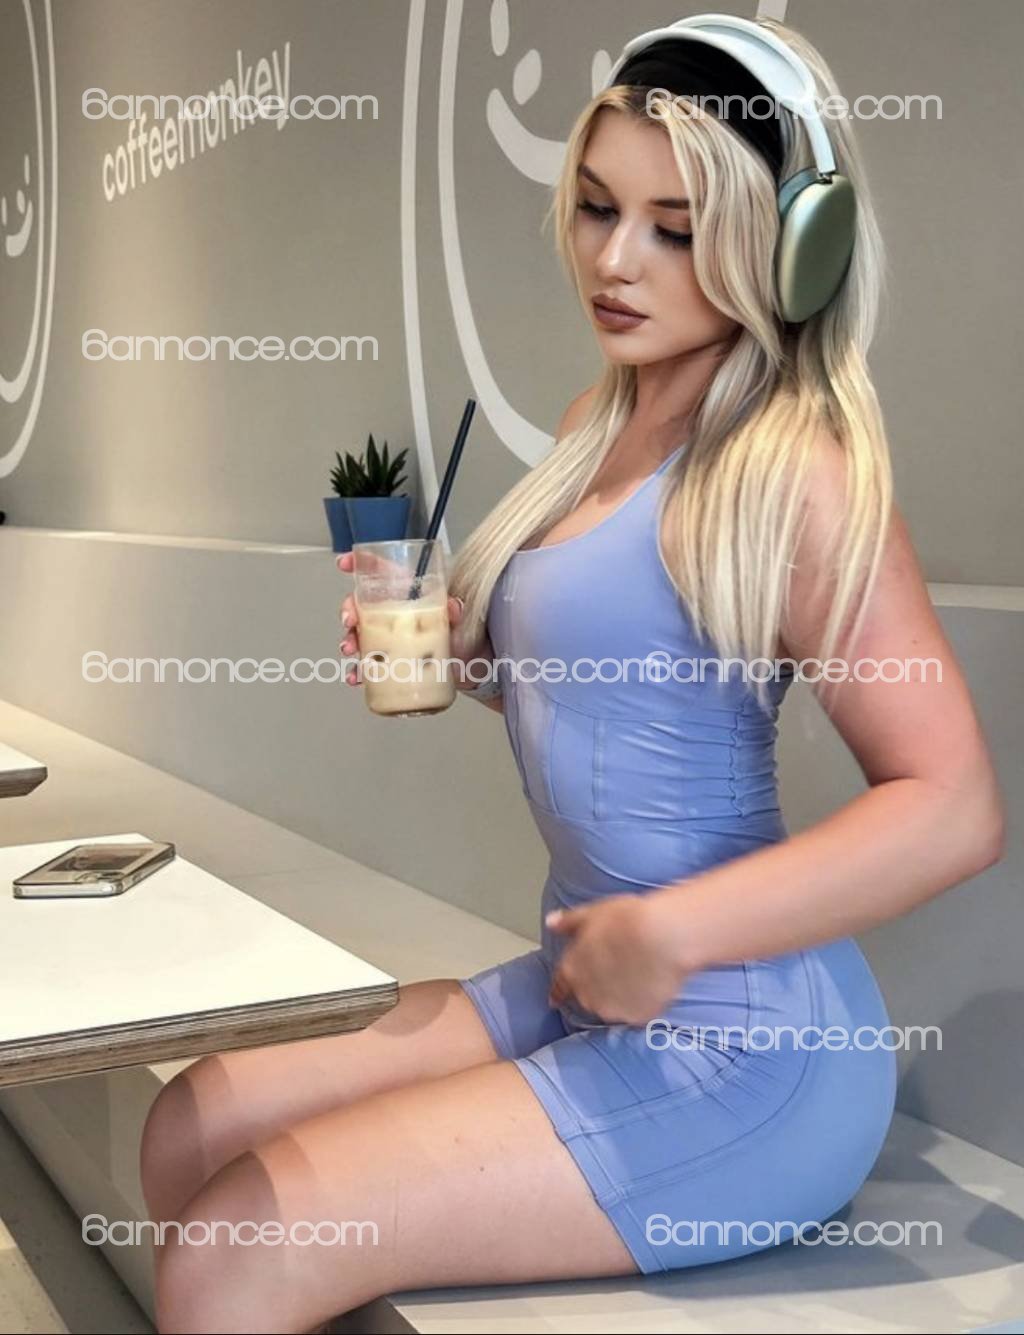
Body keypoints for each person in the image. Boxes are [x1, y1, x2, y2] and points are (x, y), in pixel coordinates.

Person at [141, 16, 1005, 1333]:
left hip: (750, 1050)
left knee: (235, 1249)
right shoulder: (597, 425)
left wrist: (676, 932)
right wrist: (477, 658)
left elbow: (954, 805)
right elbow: (633, 680)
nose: (613, 259)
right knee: (189, 1126)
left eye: (674, 228)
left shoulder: (797, 471)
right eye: (599, 207)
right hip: (580, 979)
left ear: (789, 245)